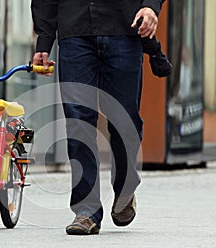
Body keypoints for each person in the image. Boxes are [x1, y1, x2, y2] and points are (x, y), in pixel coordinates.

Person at [31, 0, 165, 235]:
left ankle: (125, 190)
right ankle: (86, 210)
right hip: (75, 31)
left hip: (124, 29)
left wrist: (151, 7)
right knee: (77, 120)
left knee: (125, 122)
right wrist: (44, 39)